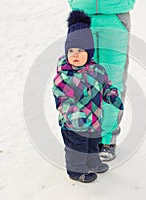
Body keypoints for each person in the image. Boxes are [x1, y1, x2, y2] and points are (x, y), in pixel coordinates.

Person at [52, 10, 124, 183]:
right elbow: (63, 99)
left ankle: (92, 161)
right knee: (77, 147)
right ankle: (76, 170)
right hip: (73, 123)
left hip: (94, 120)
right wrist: (75, 116)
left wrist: (112, 95)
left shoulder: (97, 70)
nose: (75, 55)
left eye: (80, 50)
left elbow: (105, 85)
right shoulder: (64, 75)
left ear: (89, 52)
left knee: (93, 143)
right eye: (72, 51)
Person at [67, 0, 135, 161]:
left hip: (115, 16)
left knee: (112, 81)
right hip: (82, 15)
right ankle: (85, 137)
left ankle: (107, 140)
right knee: (81, 81)